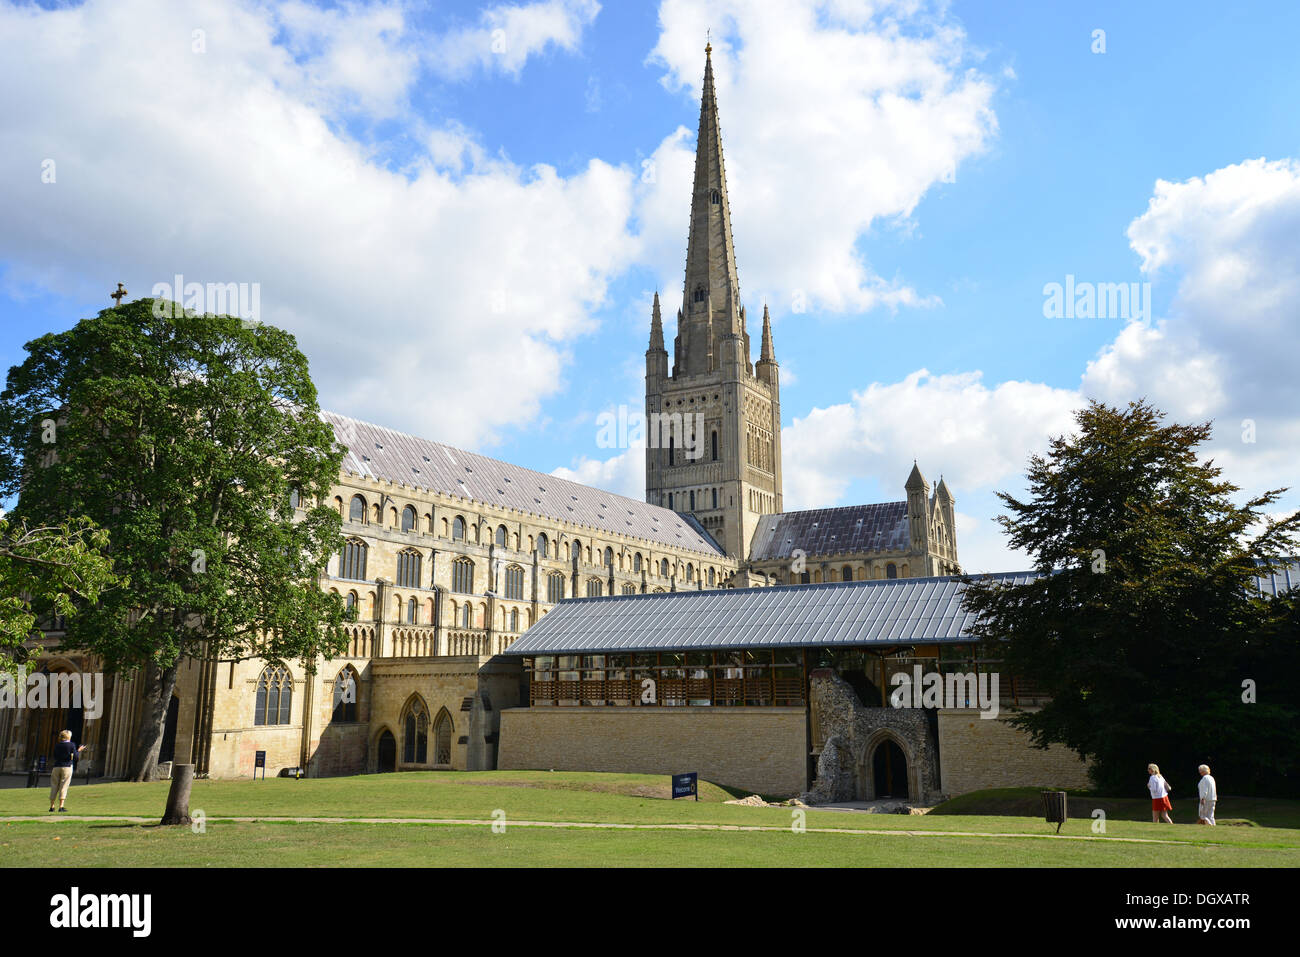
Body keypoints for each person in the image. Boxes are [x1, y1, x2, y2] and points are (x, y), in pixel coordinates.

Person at [48, 730, 85, 813]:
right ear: (68, 736)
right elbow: (75, 757)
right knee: (64, 786)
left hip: (56, 767)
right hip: (67, 767)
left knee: (54, 786)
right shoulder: (71, 745)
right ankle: (61, 806)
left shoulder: (57, 745)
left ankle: (52, 806)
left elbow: (55, 755)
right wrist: (78, 751)